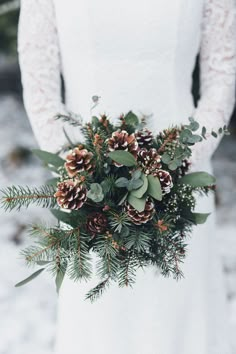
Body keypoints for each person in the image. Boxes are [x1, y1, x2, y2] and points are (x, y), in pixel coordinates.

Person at [17, 1, 236, 353]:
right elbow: (39, 83)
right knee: (99, 326)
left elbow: (222, 76)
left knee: (181, 326)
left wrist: (175, 164)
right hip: (89, 198)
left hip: (181, 184)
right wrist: (81, 171)